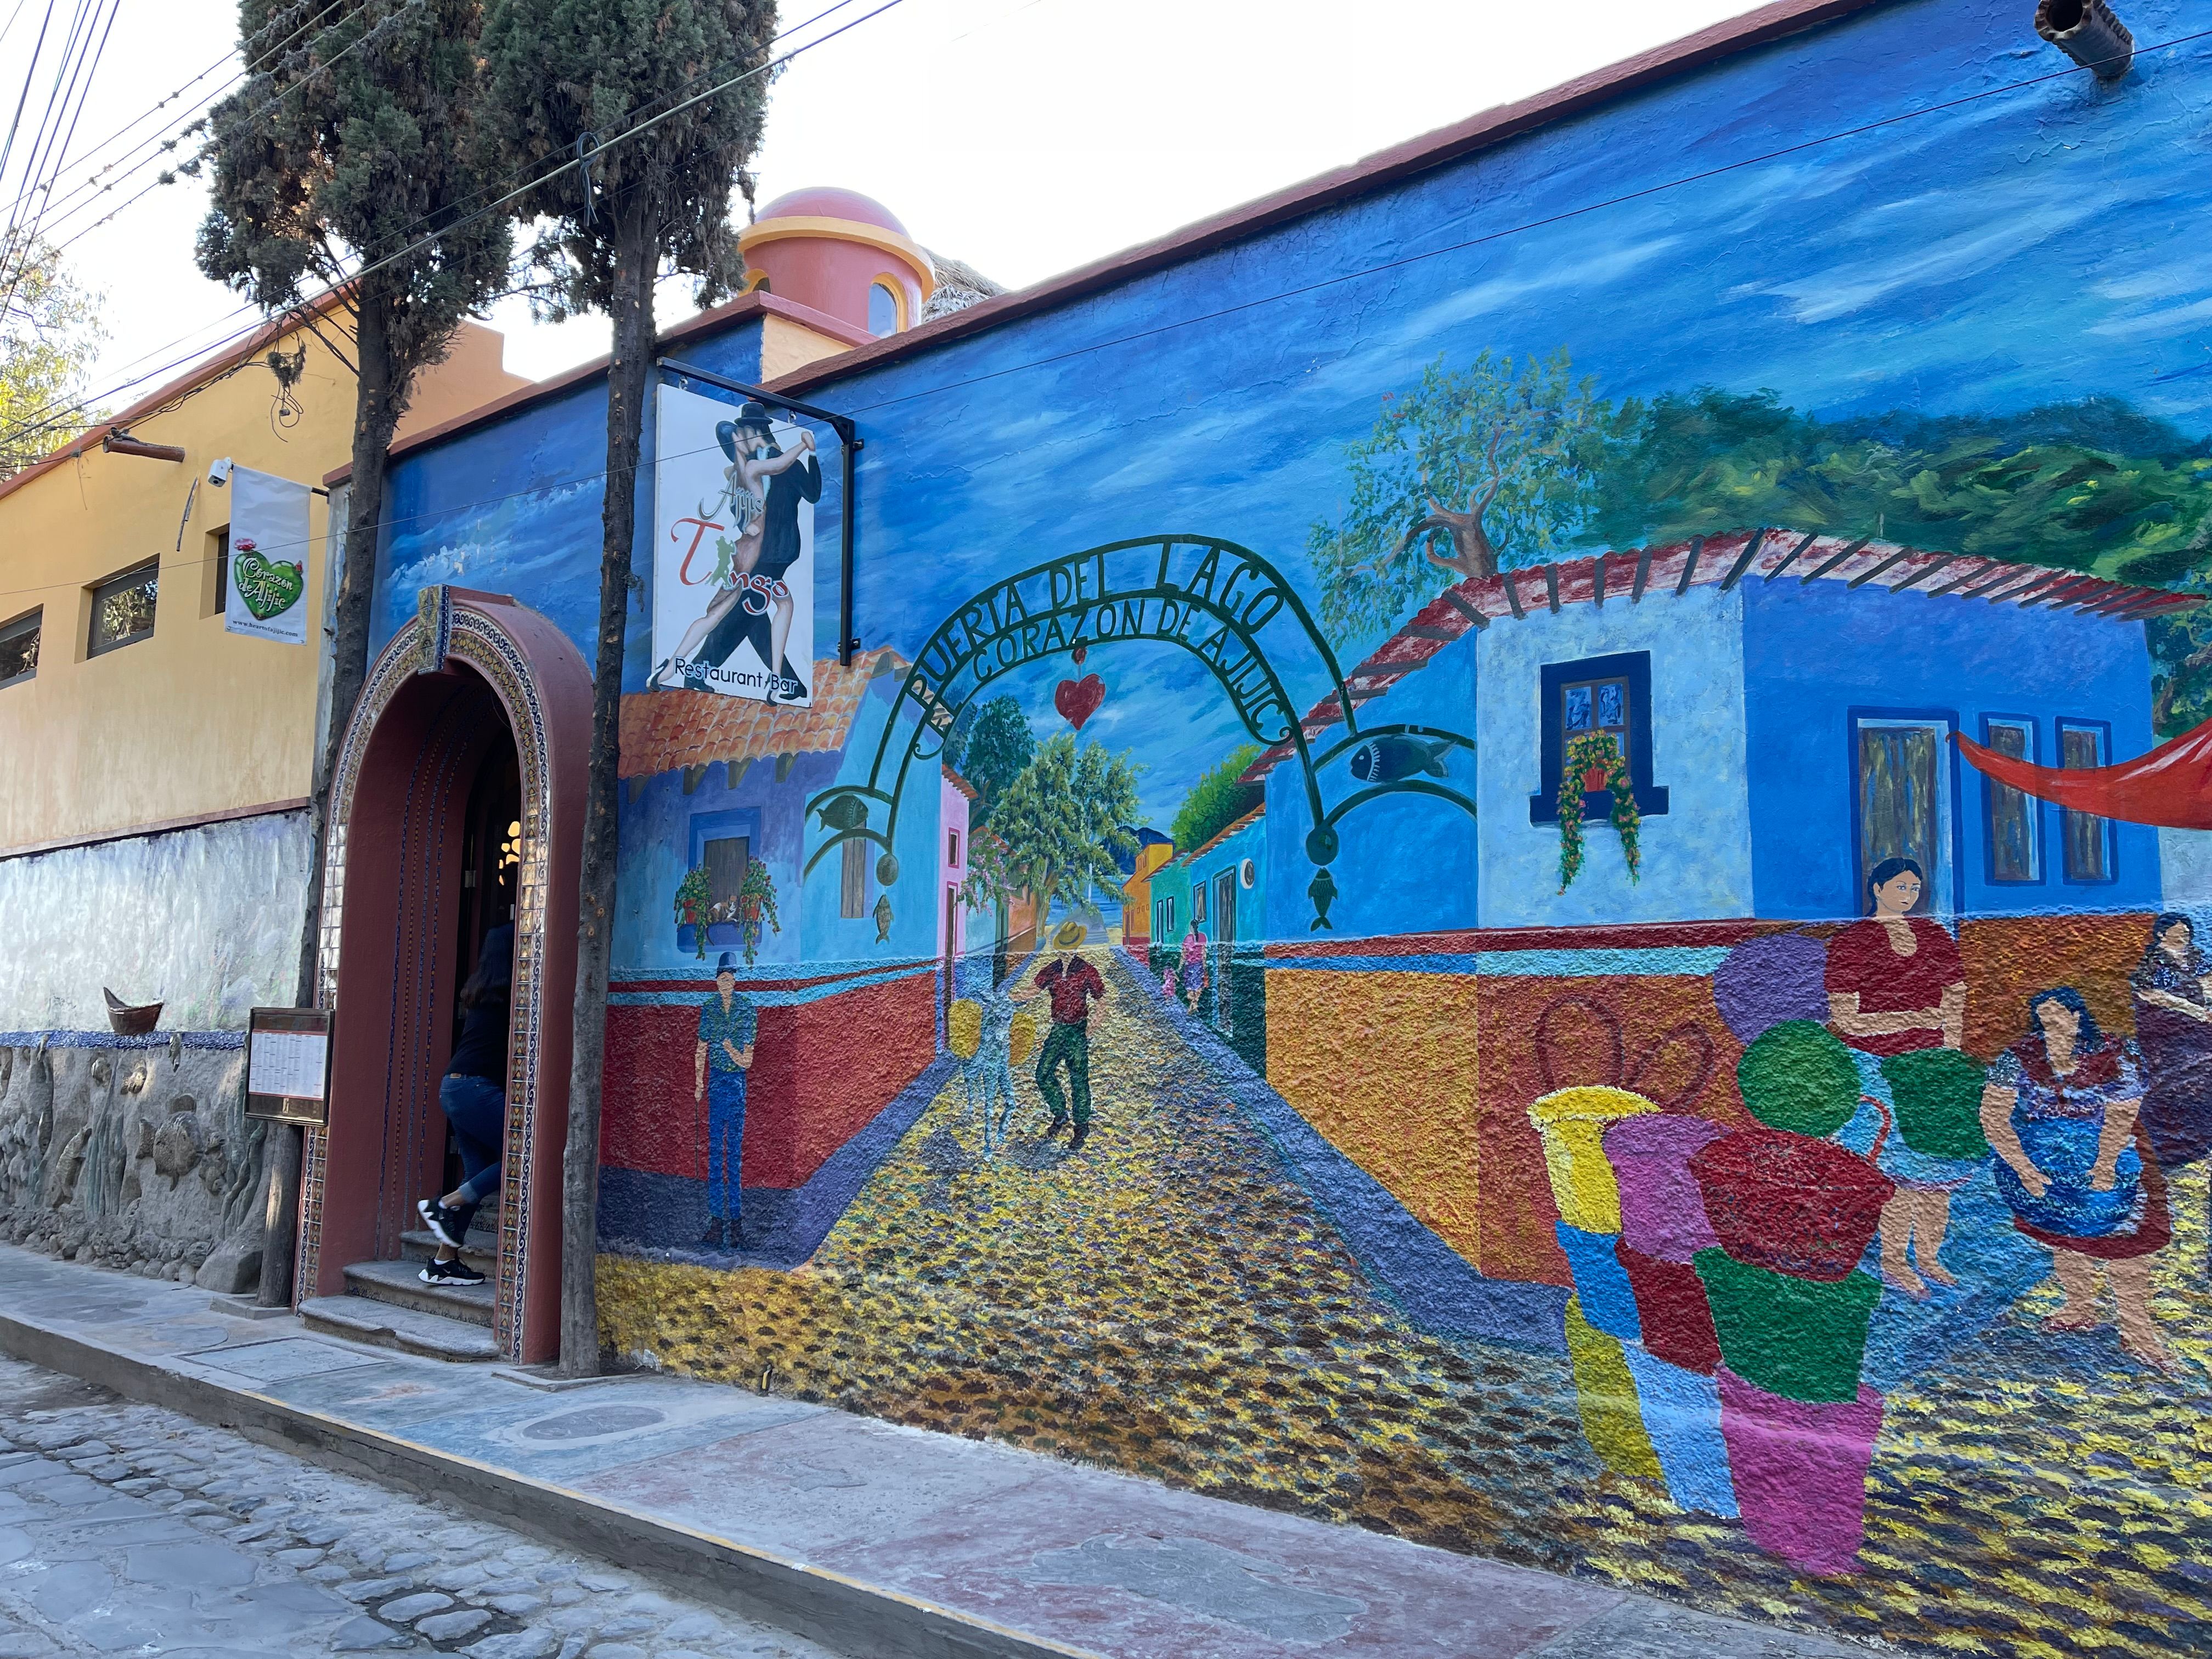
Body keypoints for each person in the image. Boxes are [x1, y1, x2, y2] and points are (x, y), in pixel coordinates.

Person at [1980, 987, 2172, 1370]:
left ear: (2077, 1016)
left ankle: (2137, 1328)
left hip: (2115, 1155)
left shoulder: (2115, 1054)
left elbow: (2120, 1117)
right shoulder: (2018, 1058)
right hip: (2044, 1162)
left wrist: (2104, 1168)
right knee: (2064, 1236)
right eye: (2043, 1016)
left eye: (2058, 1015)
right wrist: (2025, 1169)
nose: (2050, 1023)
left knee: (2126, 1245)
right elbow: (1994, 1116)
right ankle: (2079, 1306)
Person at [1825, 856, 1970, 1299]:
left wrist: (1950, 1051)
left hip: (1933, 1069)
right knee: (1902, 1175)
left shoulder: (1933, 935)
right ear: (1877, 888)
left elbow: (1956, 994)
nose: (1907, 896)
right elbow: (1847, 1020)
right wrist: (1917, 1017)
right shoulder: (1853, 942)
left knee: (1943, 1169)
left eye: (1914, 889)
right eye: (1900, 887)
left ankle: (1928, 1256)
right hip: (1881, 1069)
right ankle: (1894, 1262)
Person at [646, 410, 817, 692]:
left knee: (739, 610)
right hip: (766, 552)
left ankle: (681, 665)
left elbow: (748, 511)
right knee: (748, 609)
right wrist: (806, 447)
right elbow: (790, 473)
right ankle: (778, 679)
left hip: (748, 551)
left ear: (751, 432)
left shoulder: (736, 472)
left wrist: (809, 457)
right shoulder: (757, 468)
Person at [416, 925, 512, 1286]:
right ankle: (444, 1204)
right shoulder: (510, 996)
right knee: (524, 1155)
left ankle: (443, 1262)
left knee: (477, 1174)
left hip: (454, 1087)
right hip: (476, 1090)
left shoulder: (481, 992)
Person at [1014, 920, 1109, 1152]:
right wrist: (1008, 998)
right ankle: (1060, 1113)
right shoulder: (1052, 970)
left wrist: (1091, 1028)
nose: (1067, 951)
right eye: (1063, 947)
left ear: (1076, 947)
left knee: (1078, 1079)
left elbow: (1102, 1001)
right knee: (1043, 1073)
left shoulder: (1087, 970)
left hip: (1077, 1029)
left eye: (1071, 946)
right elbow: (1031, 991)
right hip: (1058, 1030)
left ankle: (1081, 1126)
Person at [695, 951, 757, 1249]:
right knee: (714, 1156)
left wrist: (731, 1049)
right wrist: (698, 1081)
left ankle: (736, 1224)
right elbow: (701, 1048)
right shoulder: (709, 1009)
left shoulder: (747, 1010)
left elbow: (746, 1061)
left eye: (729, 978)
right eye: (721, 978)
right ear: (717, 980)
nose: (725, 982)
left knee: (733, 1157)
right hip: (717, 1083)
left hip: (735, 1084)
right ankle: (715, 1221)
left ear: (735, 979)